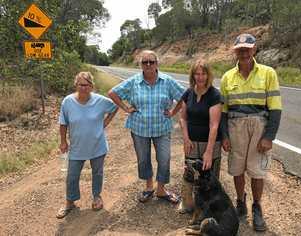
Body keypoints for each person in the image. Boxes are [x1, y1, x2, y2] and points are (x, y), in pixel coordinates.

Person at [220, 33, 282, 231]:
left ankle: (256, 206)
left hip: (259, 128)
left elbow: (275, 108)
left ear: (254, 49)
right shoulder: (227, 77)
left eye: (248, 48)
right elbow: (223, 111)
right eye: (240, 49)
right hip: (235, 127)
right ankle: (240, 201)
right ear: (235, 51)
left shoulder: (268, 73)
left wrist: (269, 137)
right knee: (237, 169)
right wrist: (225, 136)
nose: (244, 52)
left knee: (257, 171)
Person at [108, 50, 185, 204]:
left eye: (151, 61)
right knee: (143, 159)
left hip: (161, 128)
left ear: (157, 63)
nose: (148, 65)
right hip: (139, 128)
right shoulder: (133, 82)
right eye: (145, 62)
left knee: (164, 158)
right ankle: (149, 187)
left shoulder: (167, 81)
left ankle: (161, 189)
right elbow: (112, 93)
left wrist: (173, 112)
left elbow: (184, 96)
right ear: (141, 65)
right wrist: (126, 108)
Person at [56, 71, 118, 219]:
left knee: (97, 173)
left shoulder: (100, 101)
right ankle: (70, 202)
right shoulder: (68, 101)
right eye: (80, 84)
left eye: (86, 85)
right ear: (75, 85)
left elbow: (115, 107)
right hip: (77, 147)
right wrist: (63, 141)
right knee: (72, 176)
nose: (83, 88)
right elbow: (63, 123)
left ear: (91, 86)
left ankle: (97, 197)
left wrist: (105, 123)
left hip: (98, 146)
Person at [178, 59, 222, 214]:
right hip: (191, 142)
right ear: (192, 75)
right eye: (197, 73)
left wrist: (209, 151)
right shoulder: (188, 92)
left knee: (208, 178)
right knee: (189, 173)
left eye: (203, 73)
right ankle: (187, 203)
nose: (200, 77)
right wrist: (186, 138)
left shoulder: (214, 94)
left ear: (208, 75)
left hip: (209, 143)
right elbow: (183, 117)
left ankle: (208, 209)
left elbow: (214, 125)